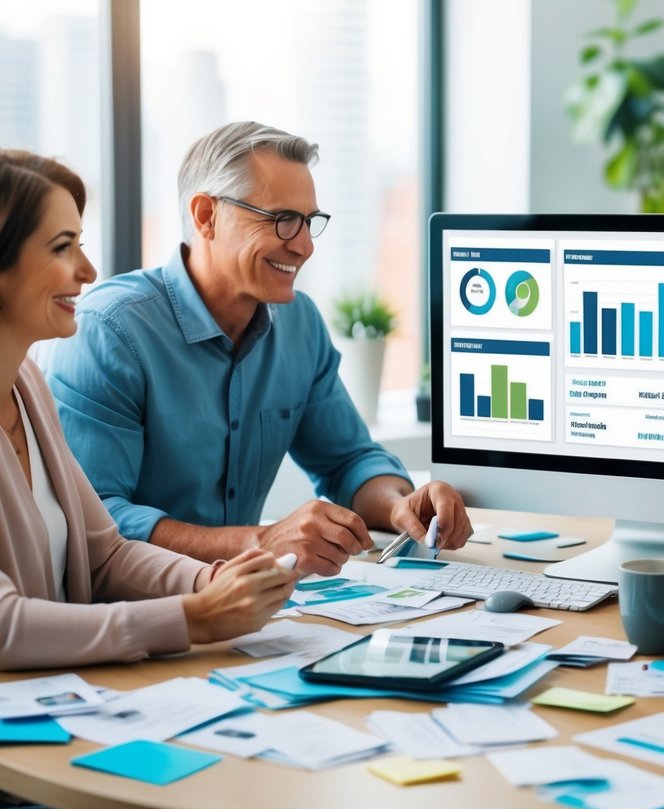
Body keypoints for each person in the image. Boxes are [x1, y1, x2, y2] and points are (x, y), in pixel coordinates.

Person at [41, 122, 471, 577]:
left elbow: (348, 459)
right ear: (206, 215)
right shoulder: (109, 331)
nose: (303, 246)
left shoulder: (299, 323)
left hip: (248, 608)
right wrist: (261, 540)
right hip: (140, 613)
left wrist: (400, 504)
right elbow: (96, 521)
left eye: (309, 222)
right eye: (283, 219)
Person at [0, 150, 293, 671]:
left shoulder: (27, 386)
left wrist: (210, 581)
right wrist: (192, 618)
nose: (88, 270)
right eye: (62, 247)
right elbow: (6, 626)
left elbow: (105, 554)